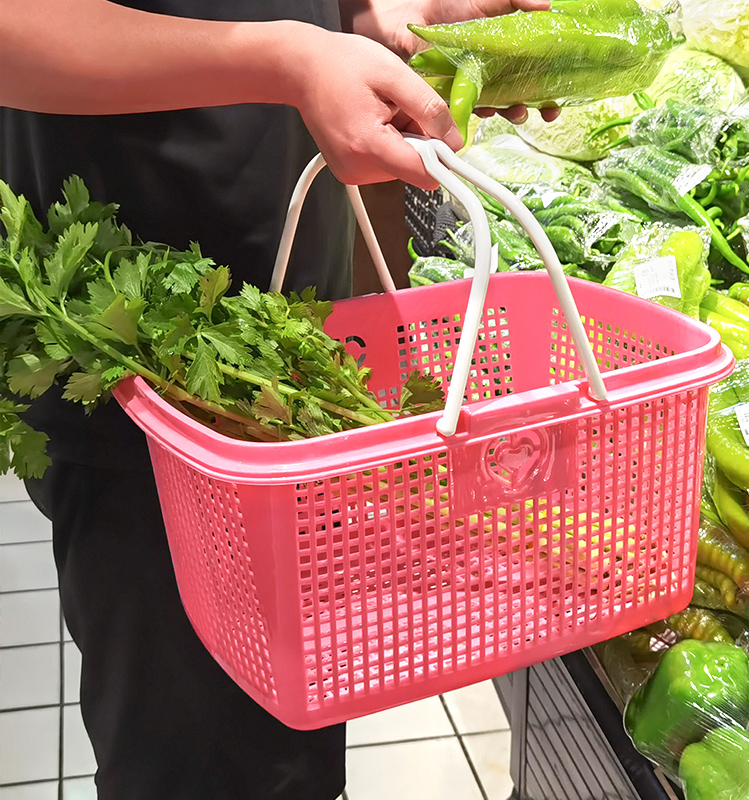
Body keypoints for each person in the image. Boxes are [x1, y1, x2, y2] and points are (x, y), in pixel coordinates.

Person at [0, 2, 555, 798]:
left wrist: (386, 18)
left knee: (288, 734)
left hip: (288, 328)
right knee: (201, 763)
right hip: (142, 364)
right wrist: (287, 59)